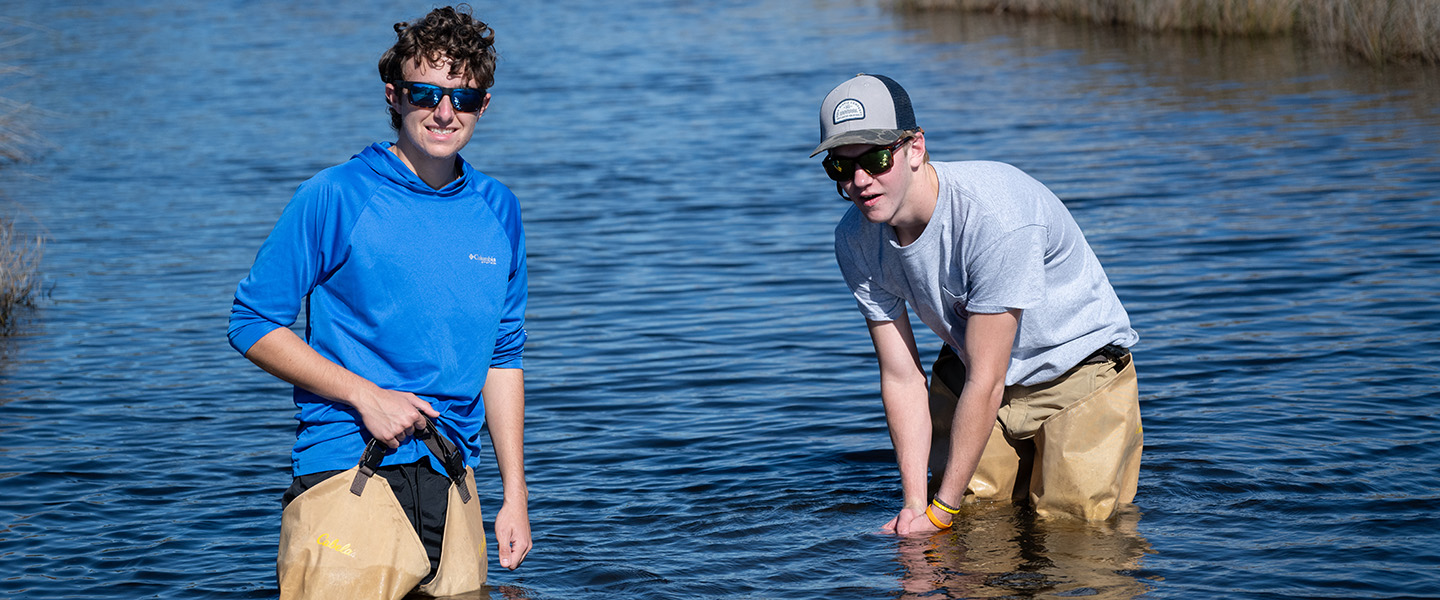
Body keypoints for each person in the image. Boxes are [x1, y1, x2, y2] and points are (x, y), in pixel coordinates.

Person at [228, 6, 529, 597]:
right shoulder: (336, 195)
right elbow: (252, 322)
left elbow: (503, 354)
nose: (444, 113)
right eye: (425, 94)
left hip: (455, 483)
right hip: (349, 474)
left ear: (483, 106)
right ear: (394, 96)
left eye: (462, 97)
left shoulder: (500, 210)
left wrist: (514, 495)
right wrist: (366, 397)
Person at [815, 74, 1143, 534]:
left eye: (875, 157)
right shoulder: (855, 239)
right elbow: (902, 374)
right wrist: (916, 508)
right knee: (973, 529)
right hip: (973, 368)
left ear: (915, 149)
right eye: (840, 167)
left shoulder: (993, 215)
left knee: (1075, 536)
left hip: (1077, 372)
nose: (859, 181)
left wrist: (940, 512)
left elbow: (988, 379)